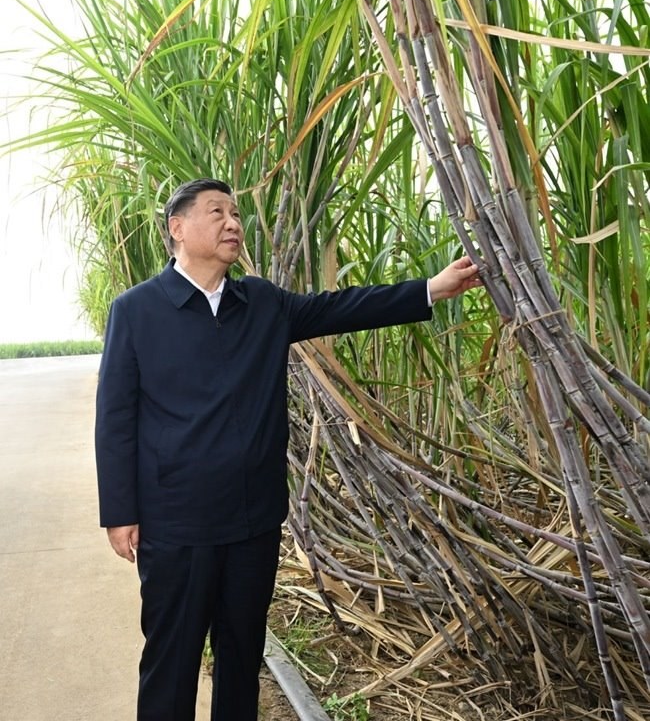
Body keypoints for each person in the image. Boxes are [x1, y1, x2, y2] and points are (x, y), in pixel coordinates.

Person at [95, 177, 481, 721]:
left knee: (242, 655)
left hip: (253, 520)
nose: (233, 223)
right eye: (217, 212)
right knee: (172, 659)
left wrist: (430, 289)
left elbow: (341, 307)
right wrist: (120, 512)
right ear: (177, 228)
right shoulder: (136, 310)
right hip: (177, 522)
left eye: (235, 213)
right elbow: (115, 417)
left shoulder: (261, 303)